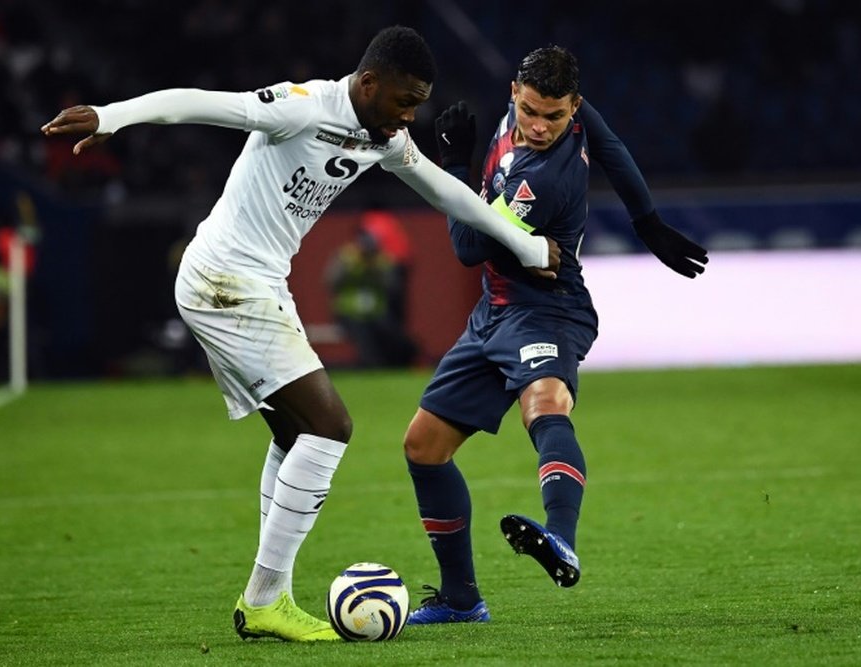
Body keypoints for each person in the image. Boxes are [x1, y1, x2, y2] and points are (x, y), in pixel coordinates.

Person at [40, 26, 559, 642]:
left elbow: (447, 192)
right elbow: (203, 101)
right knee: (330, 426)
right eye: (403, 100)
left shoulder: (384, 136)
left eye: (418, 103)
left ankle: (271, 596)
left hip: (254, 283)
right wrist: (112, 116)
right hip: (226, 281)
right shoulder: (302, 106)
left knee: (294, 433)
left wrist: (524, 244)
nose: (410, 116)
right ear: (368, 84)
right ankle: (264, 598)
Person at [402, 46, 708, 624]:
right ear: (514, 92)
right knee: (423, 447)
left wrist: (453, 163)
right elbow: (614, 149)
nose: (541, 127)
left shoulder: (543, 178)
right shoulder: (547, 113)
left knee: (543, 403)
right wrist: (647, 221)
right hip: (494, 311)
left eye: (556, 117)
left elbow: (467, 248)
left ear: (575, 109)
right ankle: (462, 599)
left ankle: (561, 537)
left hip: (546, 308)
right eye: (533, 111)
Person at [325, 225, 417, 367]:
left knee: (391, 333)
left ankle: (397, 362)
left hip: (376, 312)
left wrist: (375, 271)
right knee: (363, 336)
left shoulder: (382, 260)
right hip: (349, 312)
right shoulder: (346, 257)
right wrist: (351, 268)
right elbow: (331, 281)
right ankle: (372, 365)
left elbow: (393, 286)